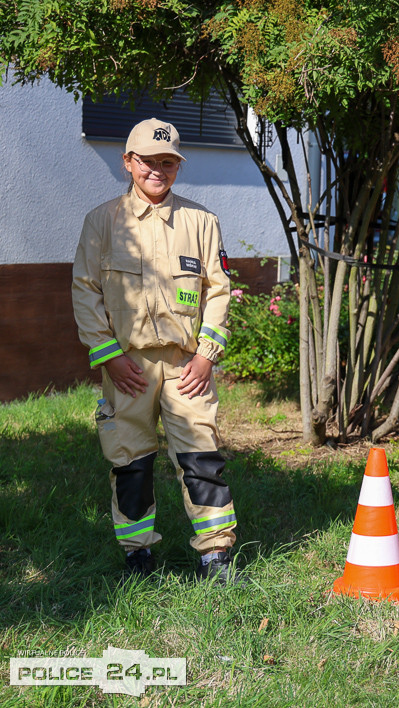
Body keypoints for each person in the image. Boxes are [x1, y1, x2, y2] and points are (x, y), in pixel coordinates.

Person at [72, 118, 241, 584]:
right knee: (131, 462)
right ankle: (138, 556)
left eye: (168, 162)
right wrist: (109, 356)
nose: (158, 170)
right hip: (128, 367)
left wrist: (207, 354)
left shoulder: (201, 222)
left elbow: (220, 291)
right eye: (148, 161)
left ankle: (216, 557)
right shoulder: (102, 222)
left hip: (188, 365)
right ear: (129, 162)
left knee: (201, 457)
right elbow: (85, 292)